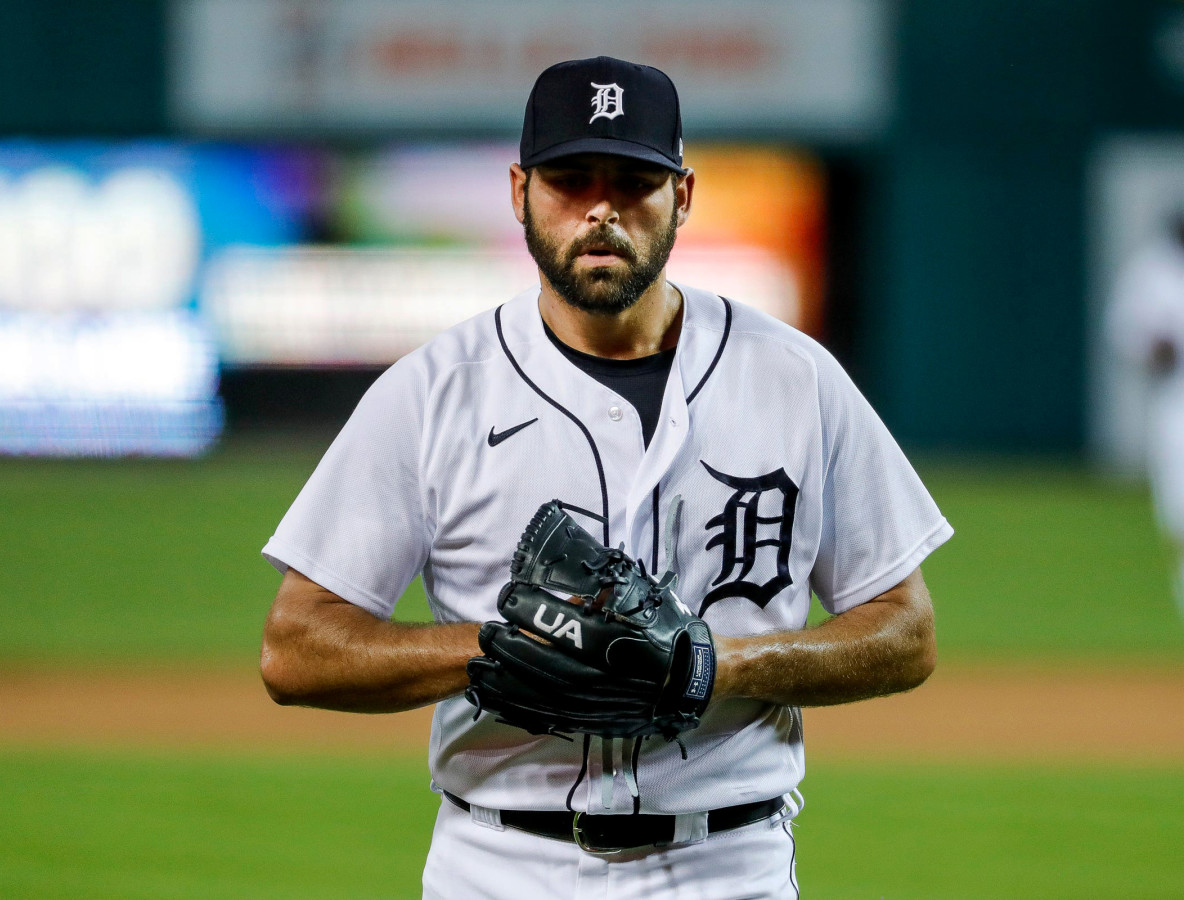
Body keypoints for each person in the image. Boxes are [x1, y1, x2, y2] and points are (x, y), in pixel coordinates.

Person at [260, 56, 952, 899]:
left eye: (633, 181)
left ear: (683, 195)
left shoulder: (795, 378)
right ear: (518, 192)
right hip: (499, 869)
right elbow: (295, 651)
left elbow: (904, 631)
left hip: (727, 868)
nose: (600, 208)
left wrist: (712, 666)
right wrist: (497, 647)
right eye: (569, 178)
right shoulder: (433, 391)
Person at [1108, 211, 1184, 617]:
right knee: (1180, 510)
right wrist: (1153, 347)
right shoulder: (1151, 270)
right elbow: (1126, 332)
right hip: (1177, 399)